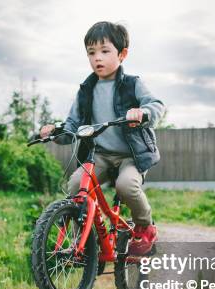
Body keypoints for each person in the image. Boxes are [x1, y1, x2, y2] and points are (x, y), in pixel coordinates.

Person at [39, 21, 165, 256]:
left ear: (122, 54)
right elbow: (72, 126)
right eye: (91, 52)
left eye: (105, 51)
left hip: (131, 155)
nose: (98, 58)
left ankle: (145, 226)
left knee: (126, 185)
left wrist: (143, 113)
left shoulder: (132, 84)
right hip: (100, 155)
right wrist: (55, 132)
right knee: (76, 185)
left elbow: (156, 105)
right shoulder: (85, 90)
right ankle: (83, 241)